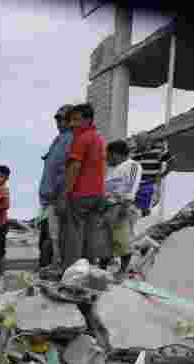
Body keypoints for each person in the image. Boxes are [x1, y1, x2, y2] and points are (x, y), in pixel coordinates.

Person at [59, 103, 108, 271]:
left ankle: (71, 272)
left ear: (88, 120)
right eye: (71, 120)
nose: (72, 124)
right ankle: (89, 271)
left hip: (81, 194)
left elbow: (74, 167)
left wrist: (65, 193)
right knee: (90, 235)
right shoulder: (97, 138)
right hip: (98, 194)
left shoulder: (82, 138)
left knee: (74, 235)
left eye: (76, 120)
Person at [37, 105, 74, 274]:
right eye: (58, 119)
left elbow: (65, 169)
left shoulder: (69, 139)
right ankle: (58, 264)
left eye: (63, 119)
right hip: (51, 197)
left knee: (60, 235)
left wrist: (59, 193)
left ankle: (62, 267)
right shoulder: (59, 139)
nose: (59, 123)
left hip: (59, 195)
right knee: (54, 235)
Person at [103, 140, 143, 276]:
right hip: (108, 208)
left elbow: (131, 186)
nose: (106, 158)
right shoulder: (112, 170)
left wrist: (125, 205)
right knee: (107, 240)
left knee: (122, 239)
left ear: (115, 154)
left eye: (107, 155)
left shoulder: (132, 165)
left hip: (120, 206)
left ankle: (123, 270)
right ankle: (103, 268)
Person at [130, 133, 173, 217]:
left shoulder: (158, 151)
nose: (137, 145)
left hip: (150, 185)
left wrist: (161, 175)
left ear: (147, 141)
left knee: (143, 212)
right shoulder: (135, 153)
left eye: (139, 142)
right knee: (134, 212)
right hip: (136, 186)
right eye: (137, 142)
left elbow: (171, 162)